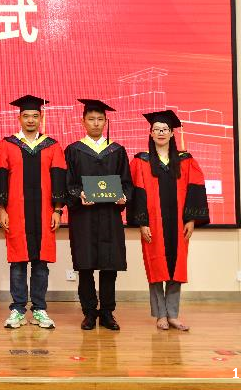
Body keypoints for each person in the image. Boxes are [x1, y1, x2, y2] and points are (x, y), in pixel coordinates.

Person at [128, 110, 210, 331]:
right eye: (157, 129)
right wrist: (142, 222)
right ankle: (160, 315)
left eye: (165, 129)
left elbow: (195, 189)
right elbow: (137, 193)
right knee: (155, 267)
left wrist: (191, 219)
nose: (161, 133)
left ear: (172, 133)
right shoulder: (141, 161)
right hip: (153, 223)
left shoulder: (186, 160)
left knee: (176, 267)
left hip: (178, 223)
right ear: (151, 133)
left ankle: (173, 314)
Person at [0, 95, 67, 329]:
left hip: (45, 212)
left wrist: (57, 210)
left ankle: (40, 309)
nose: (31, 120)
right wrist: (2, 210)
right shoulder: (7, 145)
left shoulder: (52, 146)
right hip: (16, 212)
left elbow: (59, 178)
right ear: (19, 118)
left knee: (41, 262)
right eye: (26, 116)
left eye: (35, 116)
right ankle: (17, 310)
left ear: (41, 118)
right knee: (18, 261)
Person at [64, 99, 133, 331]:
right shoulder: (73, 150)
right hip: (84, 217)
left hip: (109, 216)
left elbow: (127, 183)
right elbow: (68, 183)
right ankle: (89, 312)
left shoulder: (117, 150)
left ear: (106, 121)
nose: (96, 123)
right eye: (91, 119)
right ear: (83, 122)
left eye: (100, 119)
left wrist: (124, 197)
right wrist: (79, 194)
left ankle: (107, 313)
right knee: (85, 266)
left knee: (109, 265)